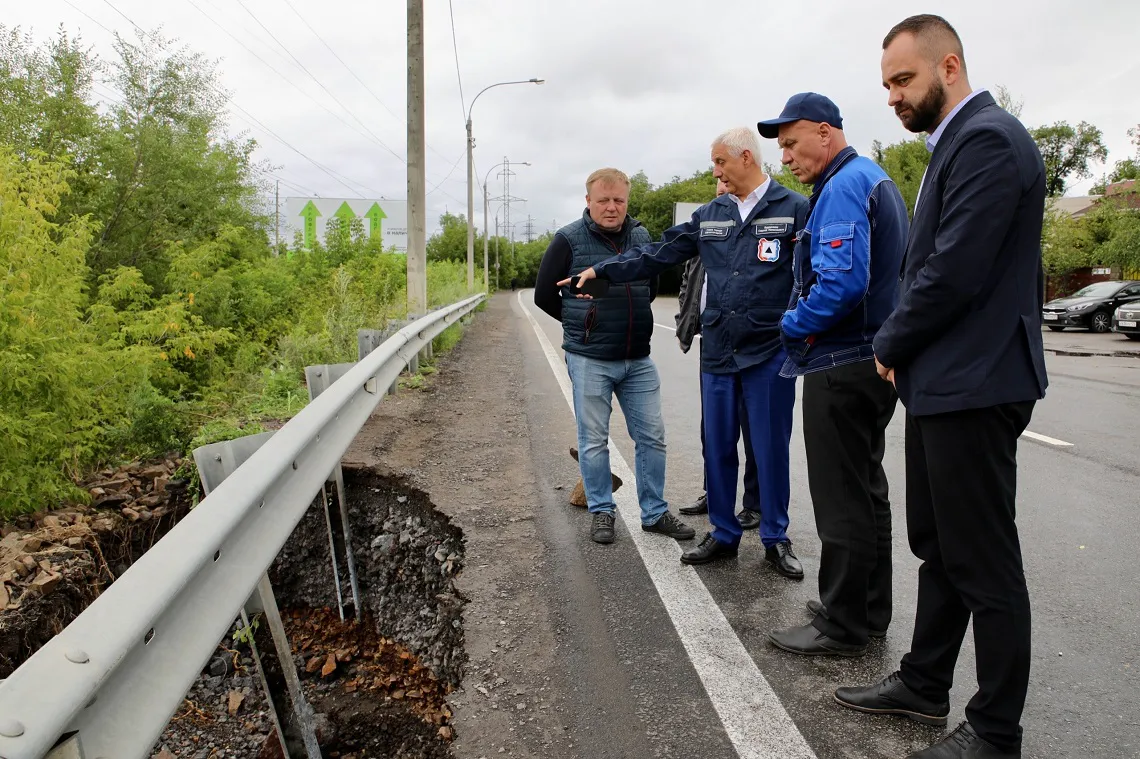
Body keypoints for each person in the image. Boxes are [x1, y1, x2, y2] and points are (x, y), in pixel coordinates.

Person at [835, 15, 1048, 759]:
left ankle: (995, 731)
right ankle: (925, 683)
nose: (894, 96)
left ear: (948, 67)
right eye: (887, 84)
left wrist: (890, 343)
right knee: (942, 545)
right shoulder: (954, 143)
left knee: (984, 560)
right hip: (946, 379)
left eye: (904, 80)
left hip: (977, 381)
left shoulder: (988, 139)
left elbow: (952, 269)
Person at [563, 129, 809, 577]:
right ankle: (723, 534)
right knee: (716, 447)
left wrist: (803, 330)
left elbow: (811, 275)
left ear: (746, 157)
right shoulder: (710, 214)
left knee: (771, 449)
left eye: (719, 163)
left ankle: (775, 538)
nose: (714, 172)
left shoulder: (794, 209)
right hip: (718, 350)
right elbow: (657, 254)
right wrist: (603, 269)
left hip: (770, 350)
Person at [754, 94, 908, 657]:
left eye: (792, 143)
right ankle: (868, 611)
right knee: (868, 490)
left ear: (825, 132)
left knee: (841, 496)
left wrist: (792, 324)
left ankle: (840, 624)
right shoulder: (873, 179)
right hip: (872, 360)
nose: (787, 157)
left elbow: (842, 286)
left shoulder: (844, 186)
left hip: (841, 360)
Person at [534, 167, 696, 545]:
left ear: (627, 201)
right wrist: (581, 324)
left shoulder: (640, 235)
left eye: (618, 200)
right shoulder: (568, 240)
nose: (611, 207)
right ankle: (602, 511)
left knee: (652, 437)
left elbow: (650, 285)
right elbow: (544, 295)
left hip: (638, 357)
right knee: (593, 440)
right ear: (588, 201)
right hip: (590, 358)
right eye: (603, 200)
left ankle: (654, 513)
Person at [676, 178, 762, 531]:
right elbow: (689, 278)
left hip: (752, 346)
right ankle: (715, 494)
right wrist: (686, 316)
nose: (721, 189)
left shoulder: (756, 226)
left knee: (753, 429)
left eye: (727, 182)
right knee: (712, 430)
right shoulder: (706, 225)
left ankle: (755, 505)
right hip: (712, 341)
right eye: (717, 185)